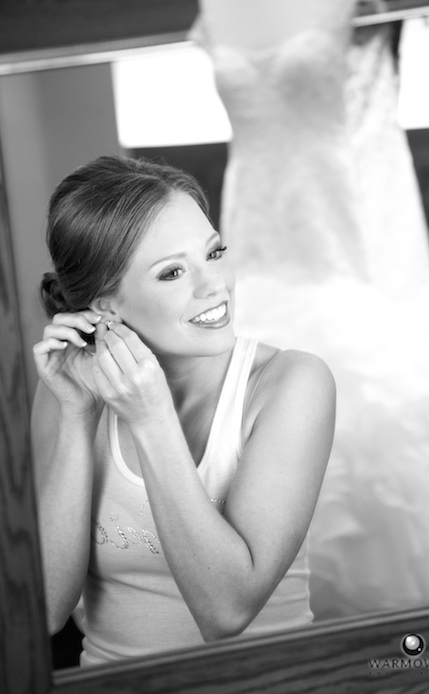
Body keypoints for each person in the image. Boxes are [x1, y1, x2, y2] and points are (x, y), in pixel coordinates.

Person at [31, 154, 336, 666]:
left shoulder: (292, 383)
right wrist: (77, 414)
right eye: (173, 272)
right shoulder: (67, 390)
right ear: (106, 306)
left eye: (214, 253)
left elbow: (227, 612)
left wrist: (151, 417)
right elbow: (43, 611)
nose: (213, 285)